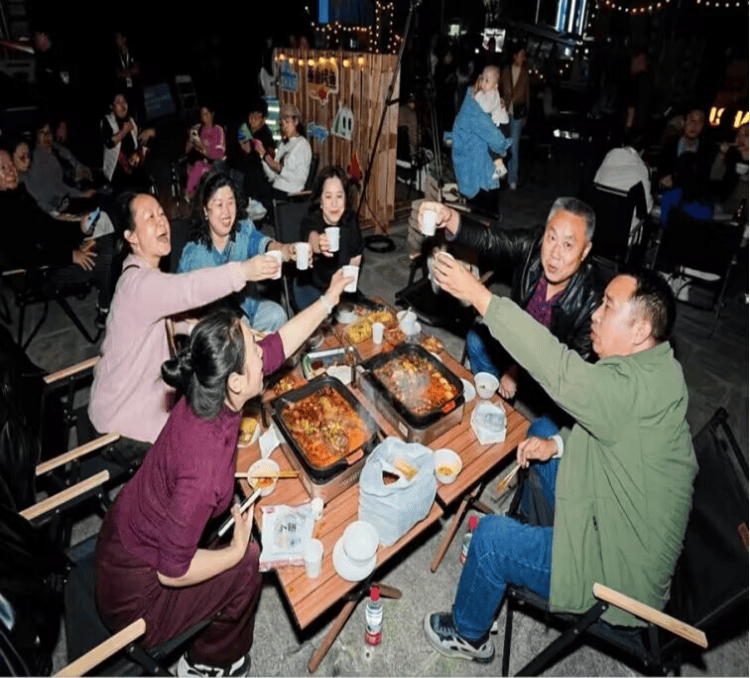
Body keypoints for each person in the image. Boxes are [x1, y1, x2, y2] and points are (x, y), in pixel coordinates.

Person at [423, 263, 696, 663]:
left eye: (607, 307)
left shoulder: (627, 391)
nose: (595, 316)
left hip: (615, 575)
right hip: (621, 521)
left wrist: (481, 298)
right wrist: (558, 446)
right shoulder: (658, 368)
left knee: (490, 539)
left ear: (639, 330)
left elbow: (560, 369)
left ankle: (470, 635)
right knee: (543, 439)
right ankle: (534, 544)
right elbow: (613, 432)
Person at [96, 269, 350, 677]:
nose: (261, 347)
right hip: (135, 597)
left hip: (125, 537)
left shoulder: (207, 387)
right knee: (248, 563)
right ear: (235, 382)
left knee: (232, 525)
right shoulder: (204, 470)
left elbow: (279, 345)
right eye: (253, 346)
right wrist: (233, 552)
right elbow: (170, 570)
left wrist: (328, 299)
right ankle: (206, 663)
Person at [88, 190, 280, 447]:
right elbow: (189, 288)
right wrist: (245, 271)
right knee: (214, 423)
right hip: (123, 419)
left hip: (137, 399)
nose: (161, 221)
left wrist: (245, 335)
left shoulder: (137, 274)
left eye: (160, 213)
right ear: (131, 236)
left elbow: (180, 323)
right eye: (149, 217)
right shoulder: (140, 285)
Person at [418, 198, 602, 425]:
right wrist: (450, 218)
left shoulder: (593, 304)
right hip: (516, 347)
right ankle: (494, 402)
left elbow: (570, 378)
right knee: (476, 339)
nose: (554, 253)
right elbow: (491, 240)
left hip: (554, 382)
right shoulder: (533, 245)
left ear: (585, 251)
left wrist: (516, 372)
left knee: (542, 435)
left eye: (568, 245)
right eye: (551, 237)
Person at [0, 147, 113, 326]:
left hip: (54, 256)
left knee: (107, 232)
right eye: (3, 168)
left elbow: (48, 228)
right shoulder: (5, 212)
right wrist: (70, 254)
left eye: (10, 165)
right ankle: (105, 312)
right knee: (107, 257)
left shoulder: (19, 195)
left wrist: (79, 230)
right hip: (42, 273)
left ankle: (107, 299)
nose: (11, 171)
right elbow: (25, 256)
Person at [177, 170, 292, 332]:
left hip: (248, 309)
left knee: (276, 315)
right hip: (216, 325)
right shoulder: (194, 253)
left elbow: (260, 243)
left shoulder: (243, 230)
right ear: (205, 210)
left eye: (231, 203)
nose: (226, 212)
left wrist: (284, 250)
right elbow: (181, 301)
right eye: (219, 204)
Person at [296, 165, 364, 309]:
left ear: (345, 199)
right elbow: (312, 237)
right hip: (312, 288)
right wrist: (319, 244)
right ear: (320, 201)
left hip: (340, 287)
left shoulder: (350, 220)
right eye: (328, 197)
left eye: (339, 196)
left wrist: (348, 281)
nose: (334, 203)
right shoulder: (310, 220)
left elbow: (356, 256)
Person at [450, 68, 512, 200]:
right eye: (481, 79)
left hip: (499, 127)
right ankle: (500, 167)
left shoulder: (474, 101)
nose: (483, 83)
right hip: (478, 173)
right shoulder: (474, 107)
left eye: (486, 80)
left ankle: (500, 167)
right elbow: (497, 140)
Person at [25, 117, 97, 215]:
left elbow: (76, 163)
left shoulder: (58, 148)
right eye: (42, 132)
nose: (47, 136)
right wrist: (81, 194)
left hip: (81, 186)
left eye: (49, 132)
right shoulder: (36, 160)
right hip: (65, 200)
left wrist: (83, 173)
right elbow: (56, 188)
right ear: (36, 136)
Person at [594, 137, 653, 244]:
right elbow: (645, 211)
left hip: (595, 228)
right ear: (643, 152)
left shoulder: (608, 158)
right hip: (622, 238)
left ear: (622, 145)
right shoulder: (642, 169)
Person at [101, 90, 156, 192]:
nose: (123, 105)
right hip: (117, 172)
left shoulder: (132, 121)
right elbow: (109, 143)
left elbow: (142, 137)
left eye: (124, 101)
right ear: (111, 107)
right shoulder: (106, 121)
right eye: (118, 102)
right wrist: (124, 132)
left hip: (135, 167)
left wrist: (151, 132)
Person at [261, 102, 312, 199]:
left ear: (296, 121)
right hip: (277, 189)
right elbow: (272, 176)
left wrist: (280, 170)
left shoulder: (302, 145)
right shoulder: (283, 145)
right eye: (282, 124)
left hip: (290, 194)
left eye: (287, 122)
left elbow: (299, 180)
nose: (284, 127)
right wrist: (263, 157)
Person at [235, 98, 276, 214]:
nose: (253, 120)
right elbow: (243, 148)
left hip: (259, 170)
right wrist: (243, 145)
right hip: (243, 166)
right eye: (251, 116)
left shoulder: (266, 134)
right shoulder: (245, 128)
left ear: (263, 120)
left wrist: (251, 149)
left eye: (257, 118)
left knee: (252, 174)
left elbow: (268, 156)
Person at [657, 107, 711, 192]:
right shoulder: (669, 147)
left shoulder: (707, 152)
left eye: (699, 122)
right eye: (691, 120)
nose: (694, 125)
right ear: (683, 123)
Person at [501, 45, 530, 190]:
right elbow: (499, 90)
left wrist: (526, 114)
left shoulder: (525, 73)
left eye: (524, 55)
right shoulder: (506, 71)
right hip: (504, 113)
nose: (523, 58)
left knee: (515, 147)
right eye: (521, 55)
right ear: (515, 56)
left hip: (518, 114)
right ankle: (501, 173)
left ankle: (512, 178)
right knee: (502, 145)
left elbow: (527, 95)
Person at [185, 103, 227, 197]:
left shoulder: (217, 130)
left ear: (212, 114)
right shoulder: (200, 129)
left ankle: (190, 195)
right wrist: (190, 140)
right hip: (200, 160)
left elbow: (219, 154)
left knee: (199, 167)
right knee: (194, 166)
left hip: (215, 163)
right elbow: (187, 150)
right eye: (202, 114)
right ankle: (192, 196)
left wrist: (203, 148)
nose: (204, 116)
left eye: (207, 113)